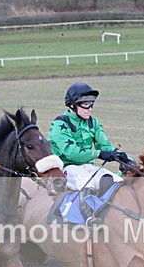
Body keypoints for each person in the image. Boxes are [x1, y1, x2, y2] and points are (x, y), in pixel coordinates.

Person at [48, 82, 134, 224]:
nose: (90, 109)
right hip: (67, 168)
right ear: (72, 105)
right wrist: (98, 154)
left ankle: (111, 216)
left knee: (113, 180)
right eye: (85, 104)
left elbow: (105, 146)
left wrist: (123, 158)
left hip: (89, 167)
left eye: (92, 104)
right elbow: (71, 153)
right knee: (86, 182)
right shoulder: (60, 124)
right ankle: (89, 218)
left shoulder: (93, 122)